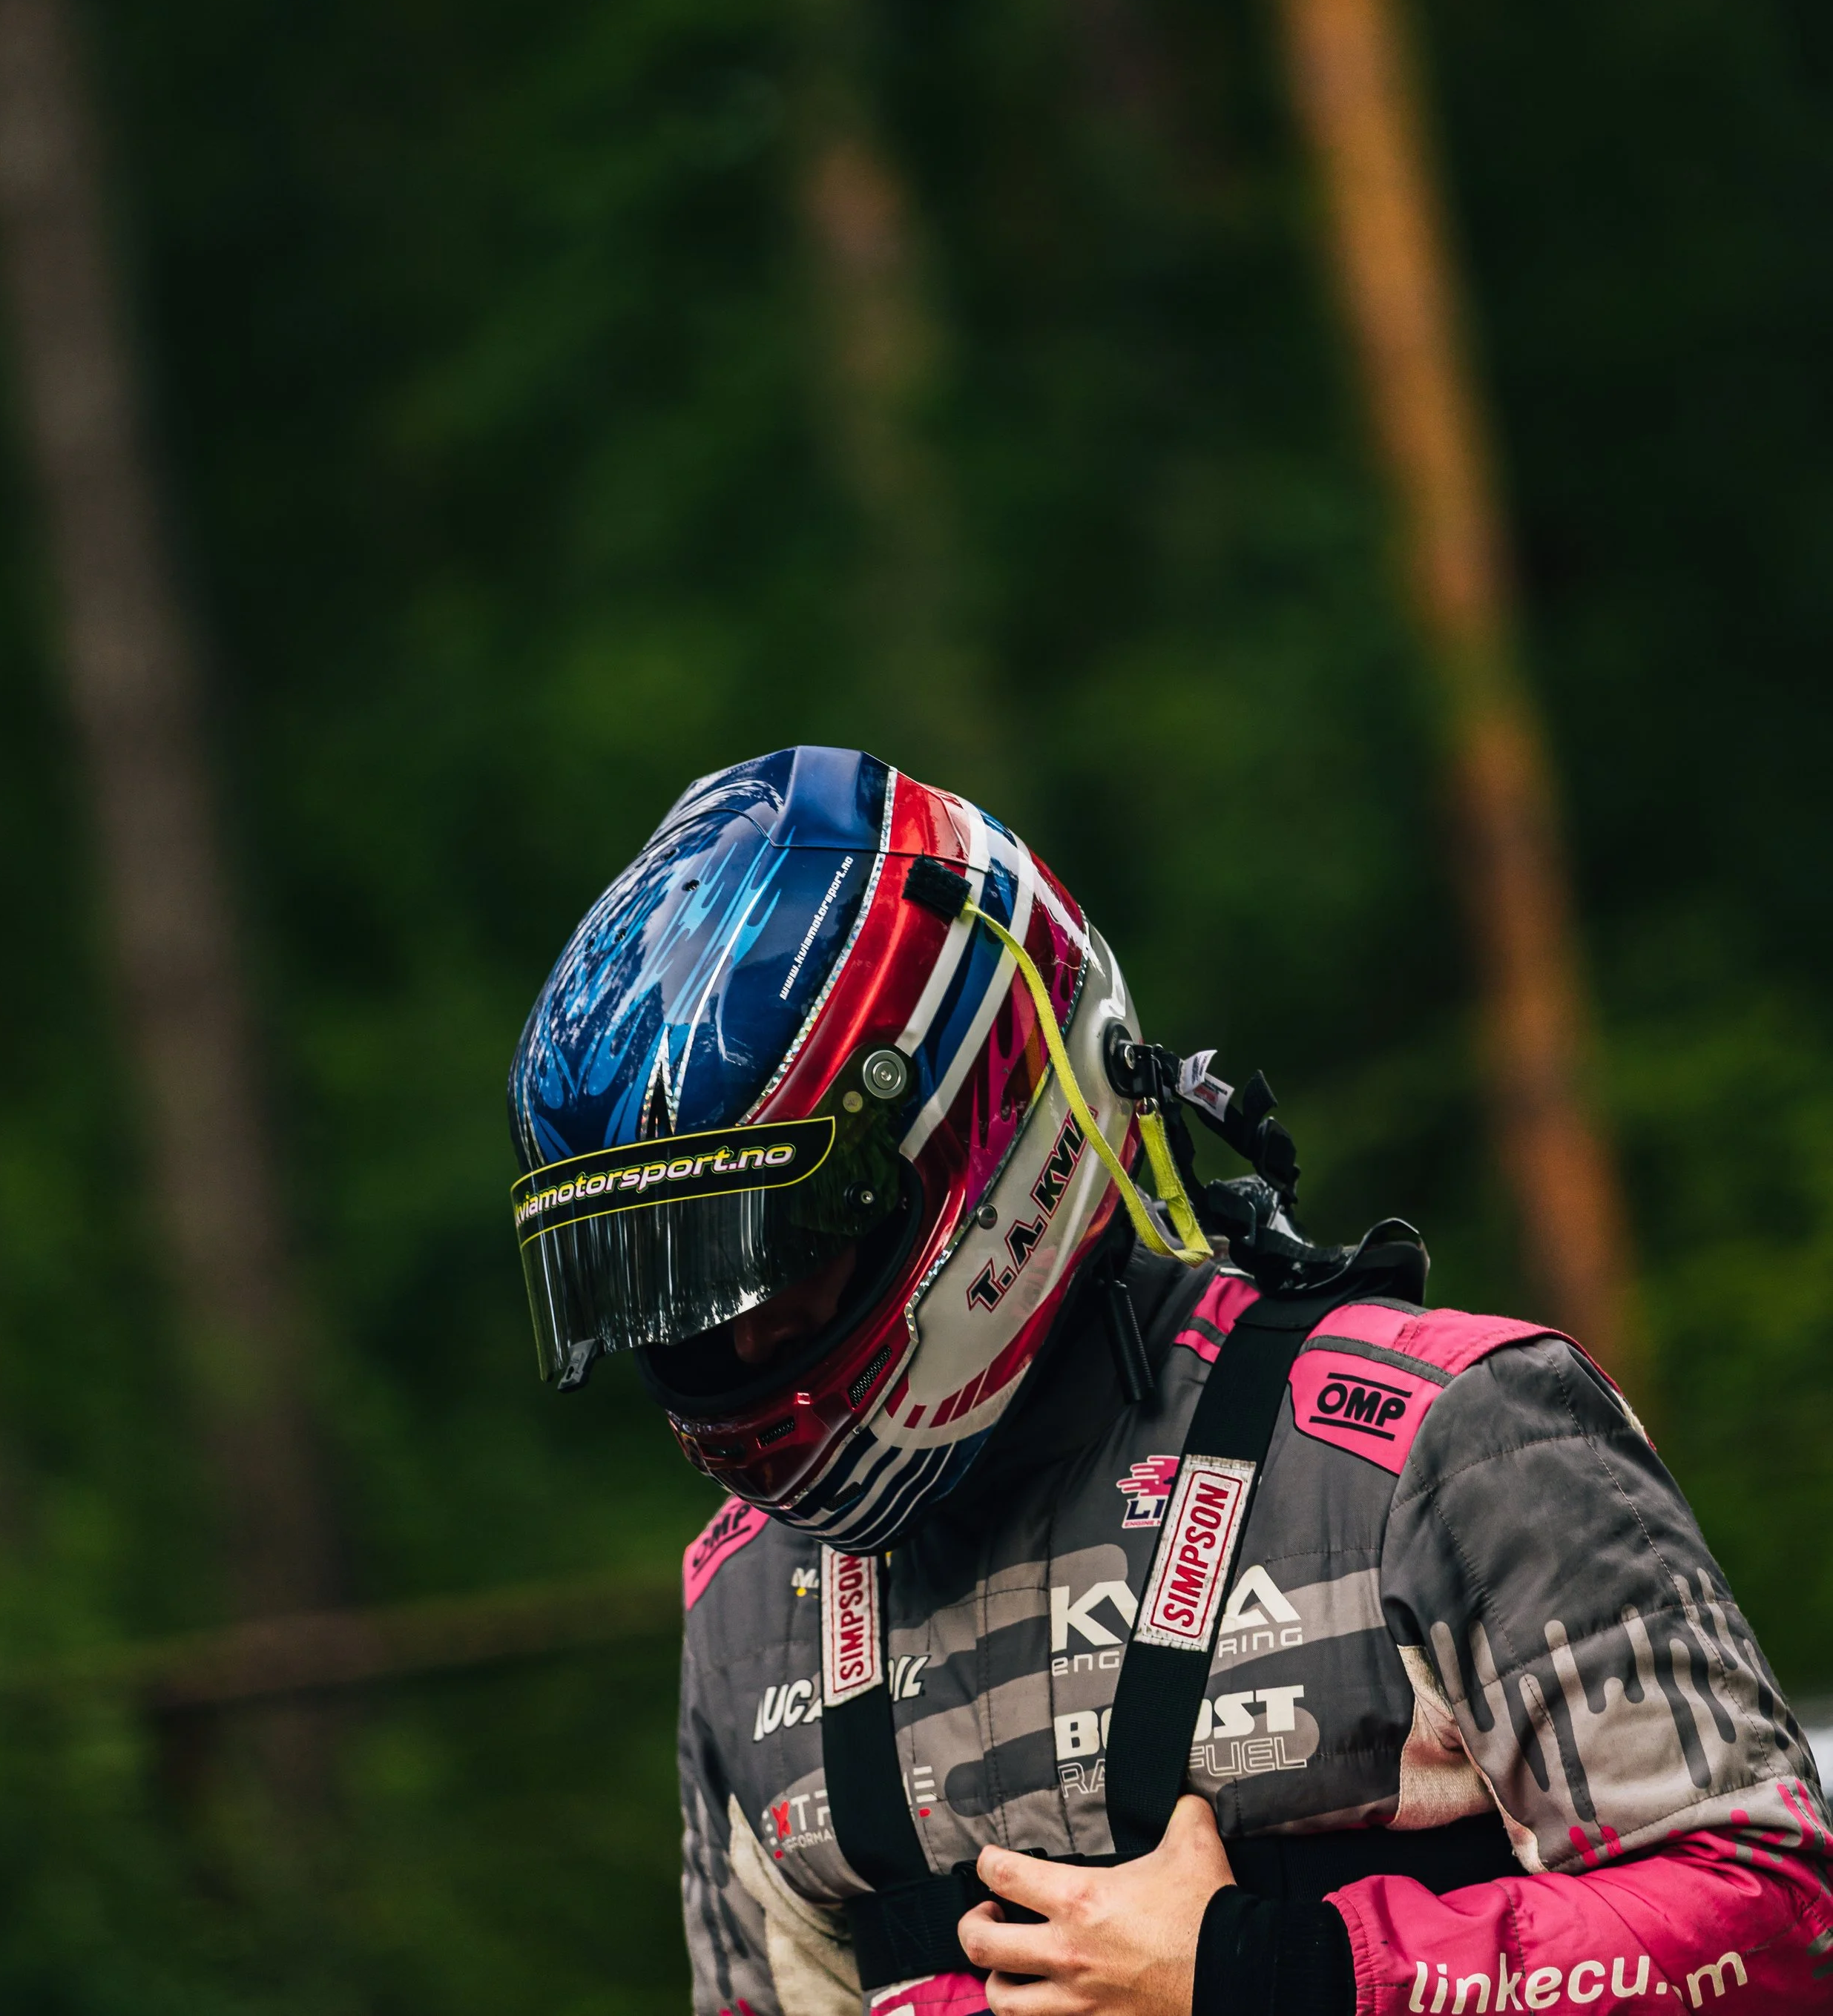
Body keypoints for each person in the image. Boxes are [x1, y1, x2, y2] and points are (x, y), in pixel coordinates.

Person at [506, 746, 1833, 2016]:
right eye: (672, 1291)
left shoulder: (1448, 1436)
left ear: (983, 1124)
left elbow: (1780, 1927)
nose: (735, 1340)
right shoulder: (745, 1603)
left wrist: (1283, 1976)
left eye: (780, 1253)